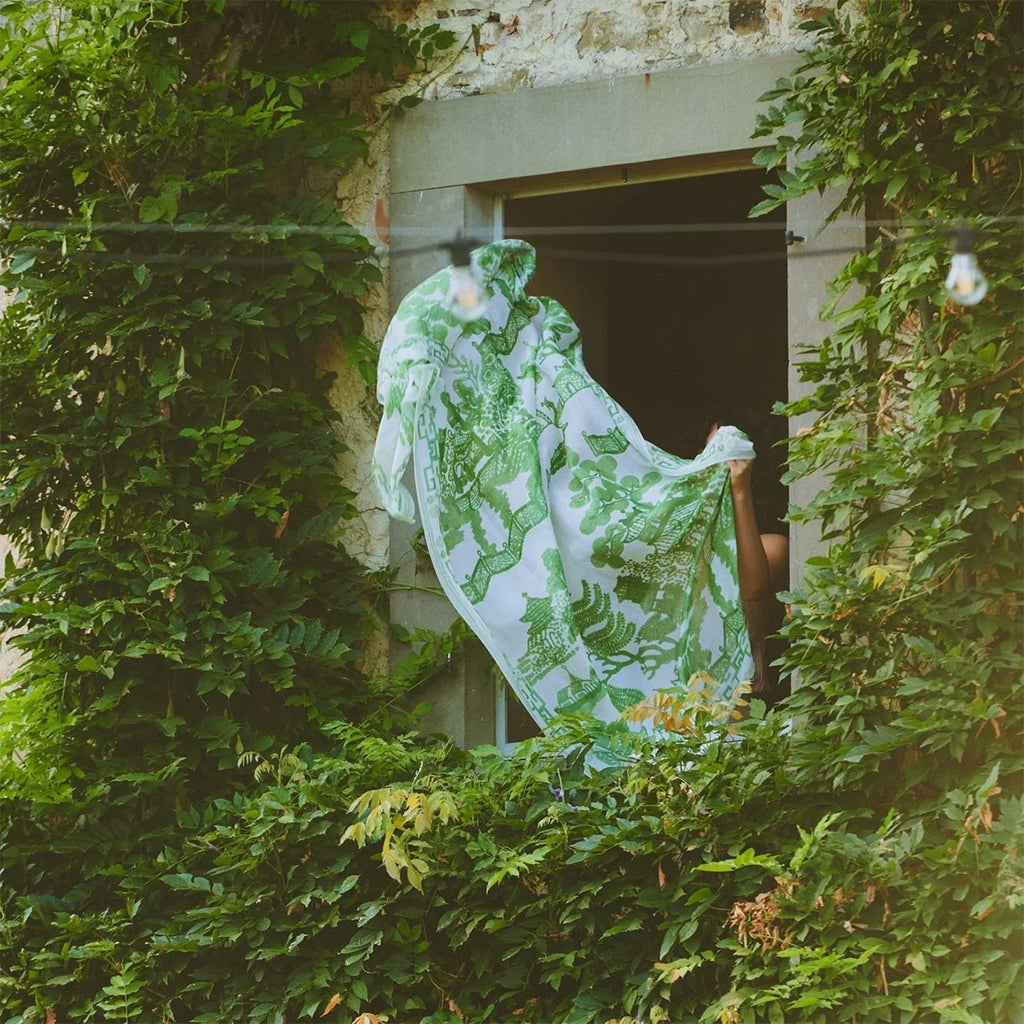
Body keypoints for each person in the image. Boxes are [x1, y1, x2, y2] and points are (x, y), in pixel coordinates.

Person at [702, 411, 790, 706]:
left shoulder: (774, 544)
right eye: (708, 452)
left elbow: (751, 588)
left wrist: (740, 492)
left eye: (726, 454)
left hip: (748, 714)